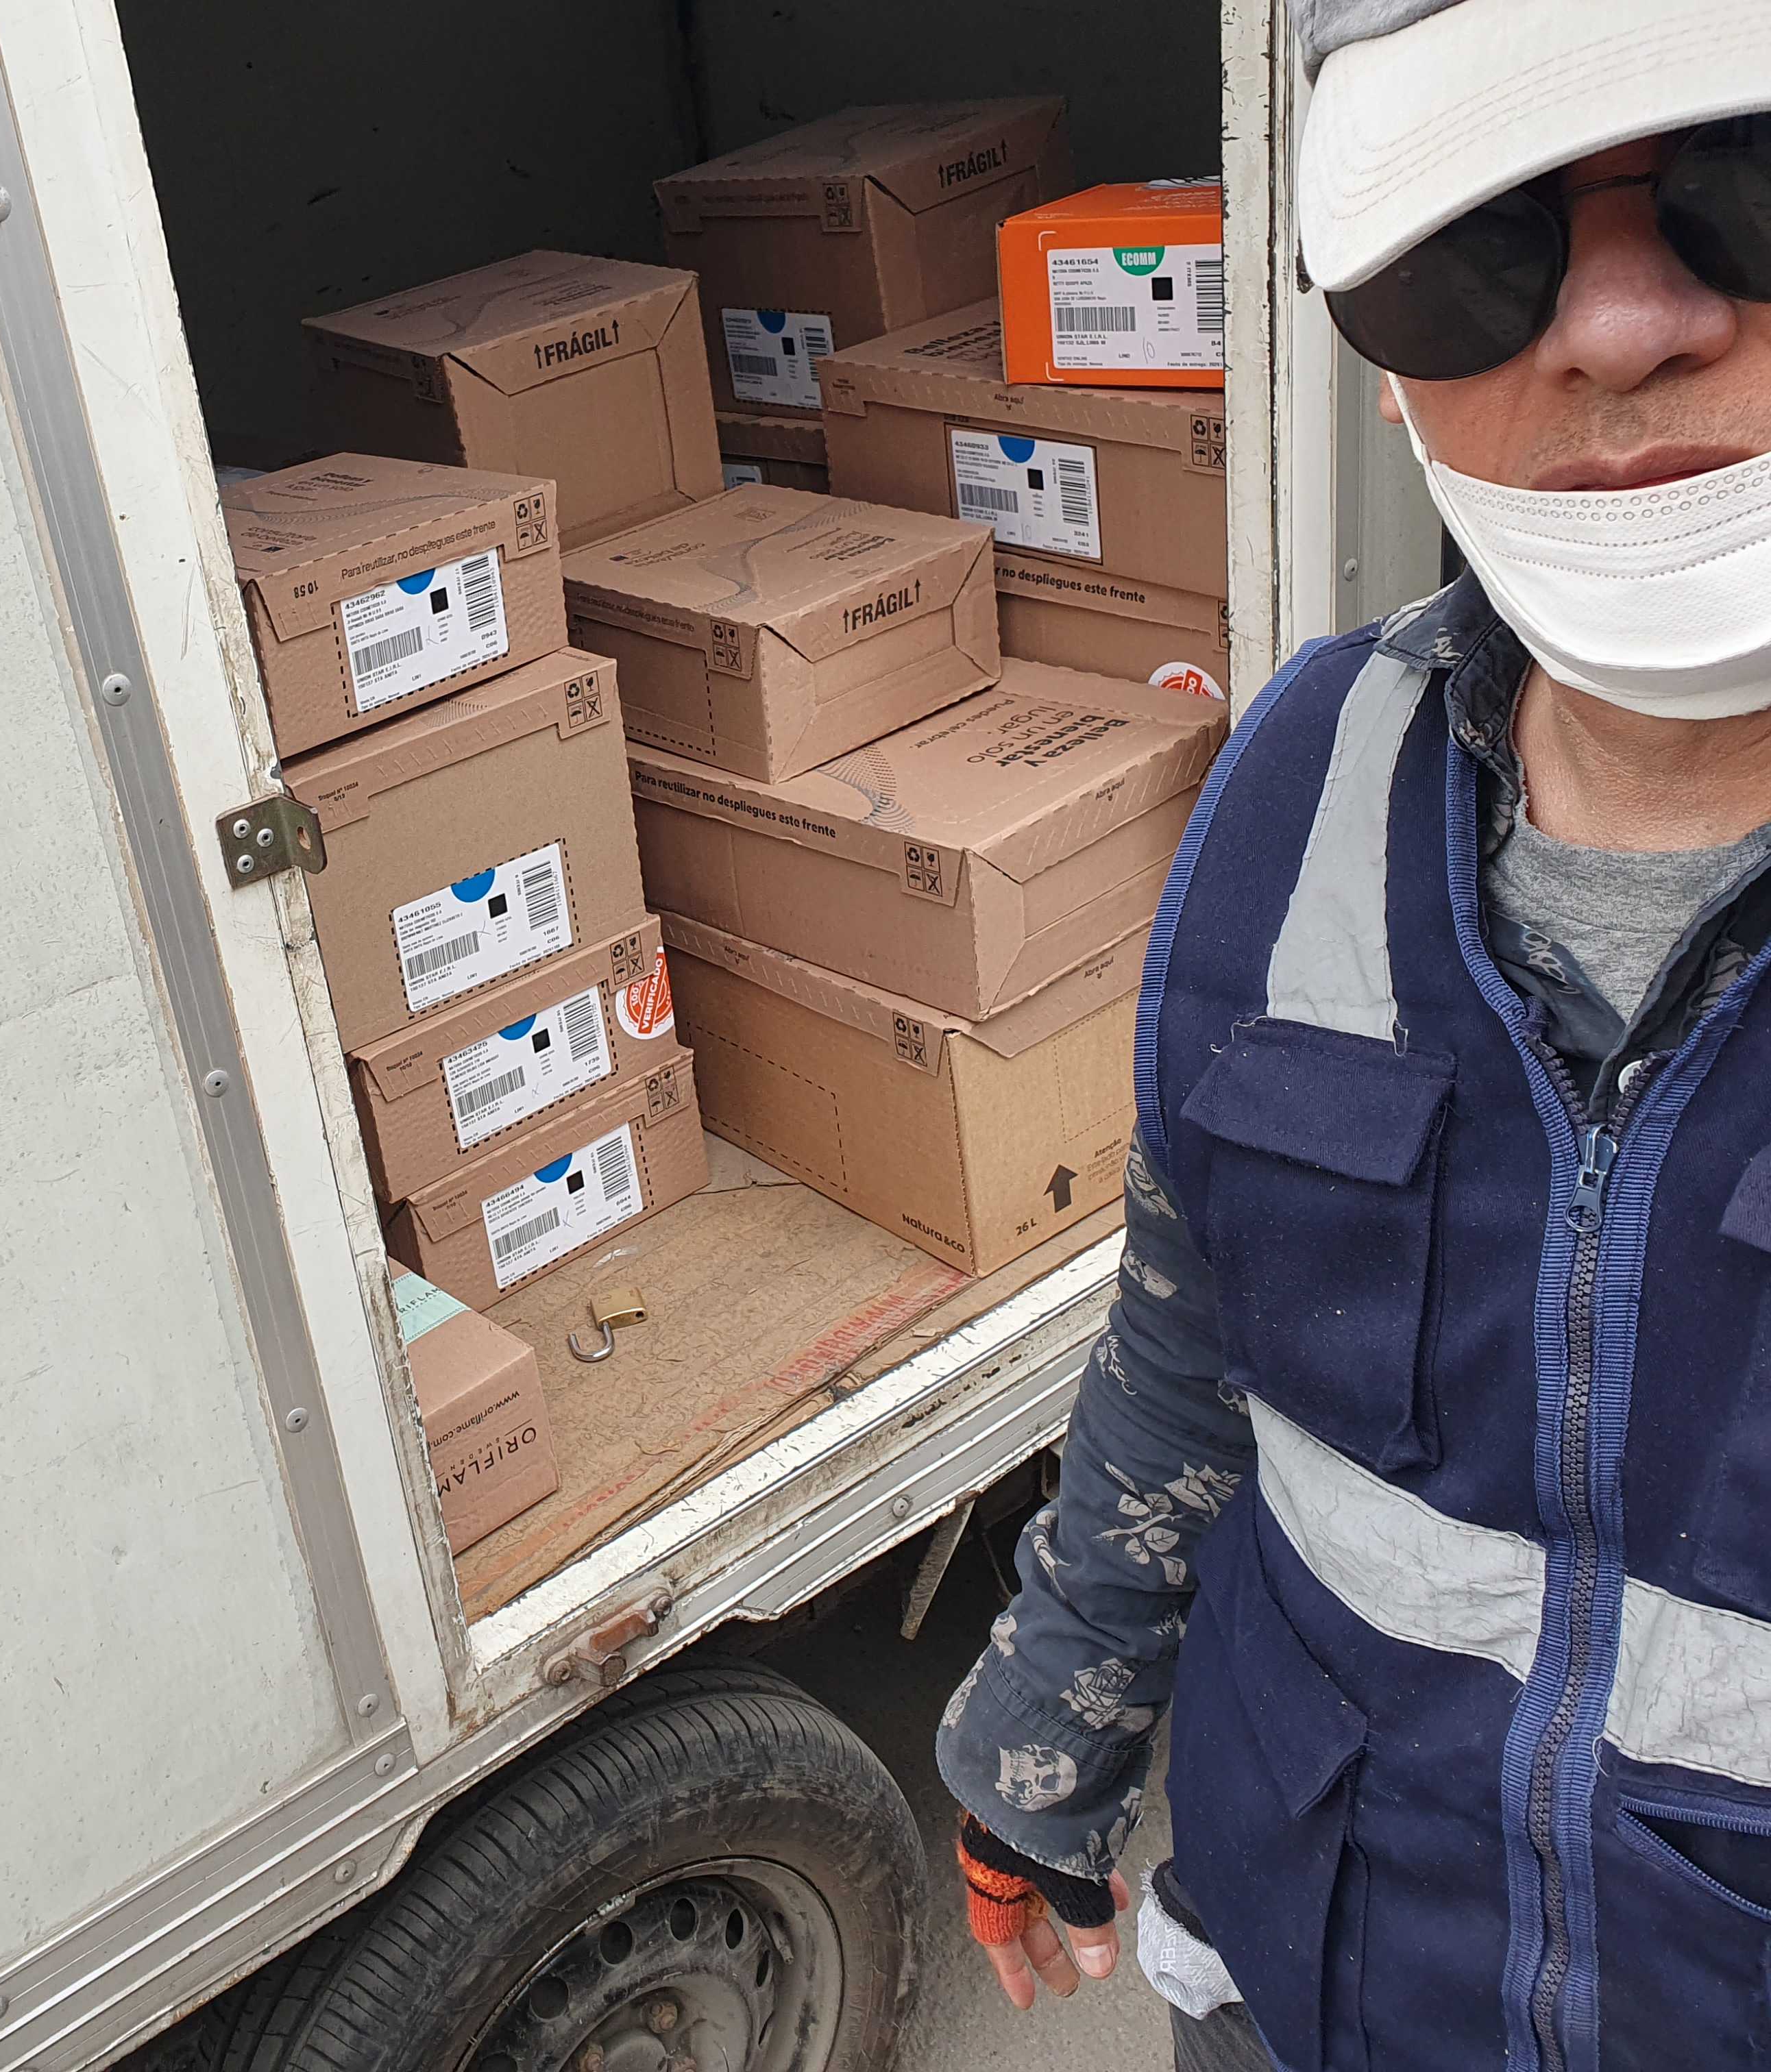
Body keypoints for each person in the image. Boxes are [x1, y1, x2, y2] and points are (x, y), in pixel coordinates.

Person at [934, 1, 1771, 2067]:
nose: (1621, 326)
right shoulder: (1307, 773)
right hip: (1304, 1976)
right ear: (1388, 374)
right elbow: (1192, 1322)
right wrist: (1050, 1729)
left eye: (1750, 182)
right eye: (1479, 244)